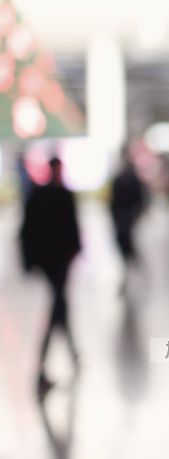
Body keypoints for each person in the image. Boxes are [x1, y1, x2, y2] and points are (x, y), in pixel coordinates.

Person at [19, 157, 81, 397]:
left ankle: (69, 353)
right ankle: (48, 363)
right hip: (53, 262)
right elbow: (29, 231)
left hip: (58, 262)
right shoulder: (47, 196)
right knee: (59, 308)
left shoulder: (55, 195)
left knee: (60, 307)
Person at [110, 150, 145, 286]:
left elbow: (139, 200)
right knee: (127, 249)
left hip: (127, 220)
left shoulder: (130, 179)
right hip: (124, 220)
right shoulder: (122, 179)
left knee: (130, 248)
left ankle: (135, 273)